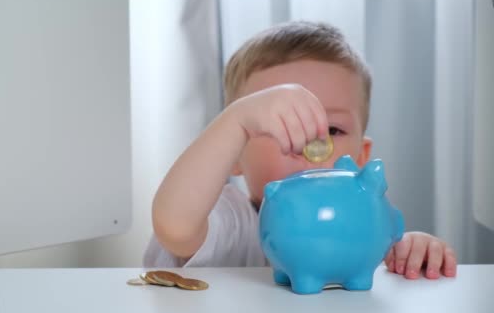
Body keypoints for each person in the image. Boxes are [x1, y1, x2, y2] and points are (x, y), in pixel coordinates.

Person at [143, 21, 457, 280]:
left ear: (361, 157)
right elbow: (176, 227)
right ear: (235, 155)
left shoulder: (365, 226)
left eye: (332, 130)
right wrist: (236, 121)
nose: (309, 147)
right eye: (278, 127)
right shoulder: (232, 221)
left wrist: (412, 253)